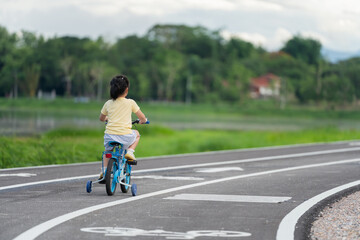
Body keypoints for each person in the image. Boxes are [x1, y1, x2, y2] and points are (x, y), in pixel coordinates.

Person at [98, 74, 147, 179]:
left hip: (109, 136)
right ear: (126, 90)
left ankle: (104, 171)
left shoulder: (108, 103)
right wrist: (144, 121)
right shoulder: (130, 102)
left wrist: (107, 119)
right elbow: (142, 117)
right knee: (137, 134)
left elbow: (101, 118)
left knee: (107, 152)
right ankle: (130, 152)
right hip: (125, 136)